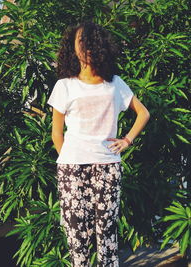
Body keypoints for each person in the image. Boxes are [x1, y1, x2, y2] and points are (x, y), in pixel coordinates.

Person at [47, 21, 150, 267]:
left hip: (108, 165)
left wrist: (127, 140)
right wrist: (71, 157)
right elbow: (56, 134)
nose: (86, 48)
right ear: (72, 46)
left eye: (91, 42)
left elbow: (143, 113)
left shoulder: (115, 83)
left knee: (107, 232)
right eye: (80, 42)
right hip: (72, 168)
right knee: (76, 234)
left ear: (101, 46)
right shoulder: (65, 85)